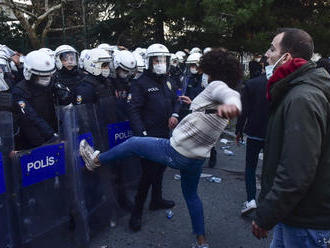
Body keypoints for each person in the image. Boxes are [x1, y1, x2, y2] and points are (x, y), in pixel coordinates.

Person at [80, 48, 242, 248]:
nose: (203, 75)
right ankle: (202, 241)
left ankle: (95, 160)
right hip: (196, 158)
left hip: (176, 151)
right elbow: (206, 109)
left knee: (133, 144)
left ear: (213, 71)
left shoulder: (217, 86)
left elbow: (230, 95)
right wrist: (194, 105)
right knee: (191, 196)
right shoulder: (147, 83)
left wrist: (234, 105)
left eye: (205, 71)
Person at [251, 28, 330, 248]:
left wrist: (266, 214)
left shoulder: (302, 98)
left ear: (286, 57)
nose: (266, 54)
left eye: (272, 48)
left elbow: (296, 171)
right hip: (296, 216)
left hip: (306, 222)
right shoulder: (297, 90)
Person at [128, 43, 180, 232]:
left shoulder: (168, 80)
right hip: (148, 136)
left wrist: (175, 115)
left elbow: (176, 100)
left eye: (164, 60)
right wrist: (141, 135)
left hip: (165, 134)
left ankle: (156, 200)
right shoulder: (140, 83)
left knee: (160, 169)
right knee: (147, 175)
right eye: (157, 60)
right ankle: (137, 211)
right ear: (149, 61)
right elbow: (133, 110)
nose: (161, 63)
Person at [235, 73, 269, 215]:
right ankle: (267, 201)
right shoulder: (282, 83)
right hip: (272, 132)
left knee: (250, 166)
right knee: (269, 167)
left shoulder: (252, 84)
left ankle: (250, 199)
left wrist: (239, 130)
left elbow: (244, 111)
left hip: (254, 130)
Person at [12, 50, 58, 150]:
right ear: (29, 73)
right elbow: (30, 117)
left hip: (53, 135)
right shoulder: (19, 91)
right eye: (41, 75)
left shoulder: (52, 84)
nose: (46, 79)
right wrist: (51, 136)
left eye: (48, 75)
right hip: (32, 143)